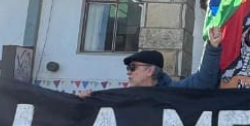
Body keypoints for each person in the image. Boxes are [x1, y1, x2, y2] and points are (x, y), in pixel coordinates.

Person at [78, 27, 224, 96]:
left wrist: (212, 47)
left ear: (150, 70)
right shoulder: (120, 98)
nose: (128, 71)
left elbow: (204, 81)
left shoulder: (173, 93)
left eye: (133, 67)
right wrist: (86, 101)